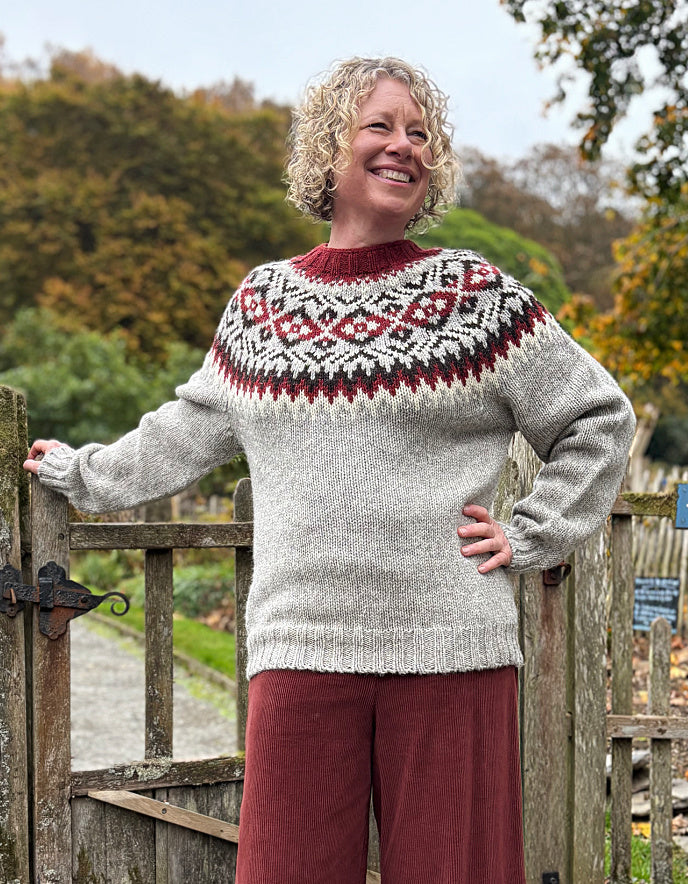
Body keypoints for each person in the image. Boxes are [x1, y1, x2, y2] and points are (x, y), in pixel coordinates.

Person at [24, 57, 635, 883]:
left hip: (451, 648)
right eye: (380, 125)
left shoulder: (476, 295)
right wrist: (82, 473)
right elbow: (186, 429)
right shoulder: (262, 304)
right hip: (301, 647)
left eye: (421, 133)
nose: (404, 146)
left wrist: (533, 532)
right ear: (328, 150)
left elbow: (599, 417)